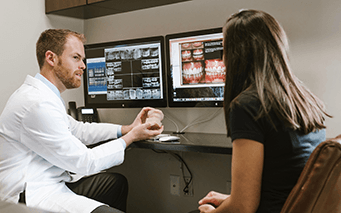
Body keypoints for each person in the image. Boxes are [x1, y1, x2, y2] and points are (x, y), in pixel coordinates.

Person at [0, 29, 164, 213]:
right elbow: (85, 162)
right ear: (51, 58)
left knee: (115, 183)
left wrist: (126, 129)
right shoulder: (37, 103)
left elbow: (77, 129)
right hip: (30, 195)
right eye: (76, 58)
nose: (83, 66)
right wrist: (131, 137)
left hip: (50, 181)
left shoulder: (45, 96)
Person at [197, 9, 330, 213]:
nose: (223, 59)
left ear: (236, 54)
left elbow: (243, 208)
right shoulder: (307, 99)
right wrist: (230, 198)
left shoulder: (247, 106)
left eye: (225, 50)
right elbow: (282, 181)